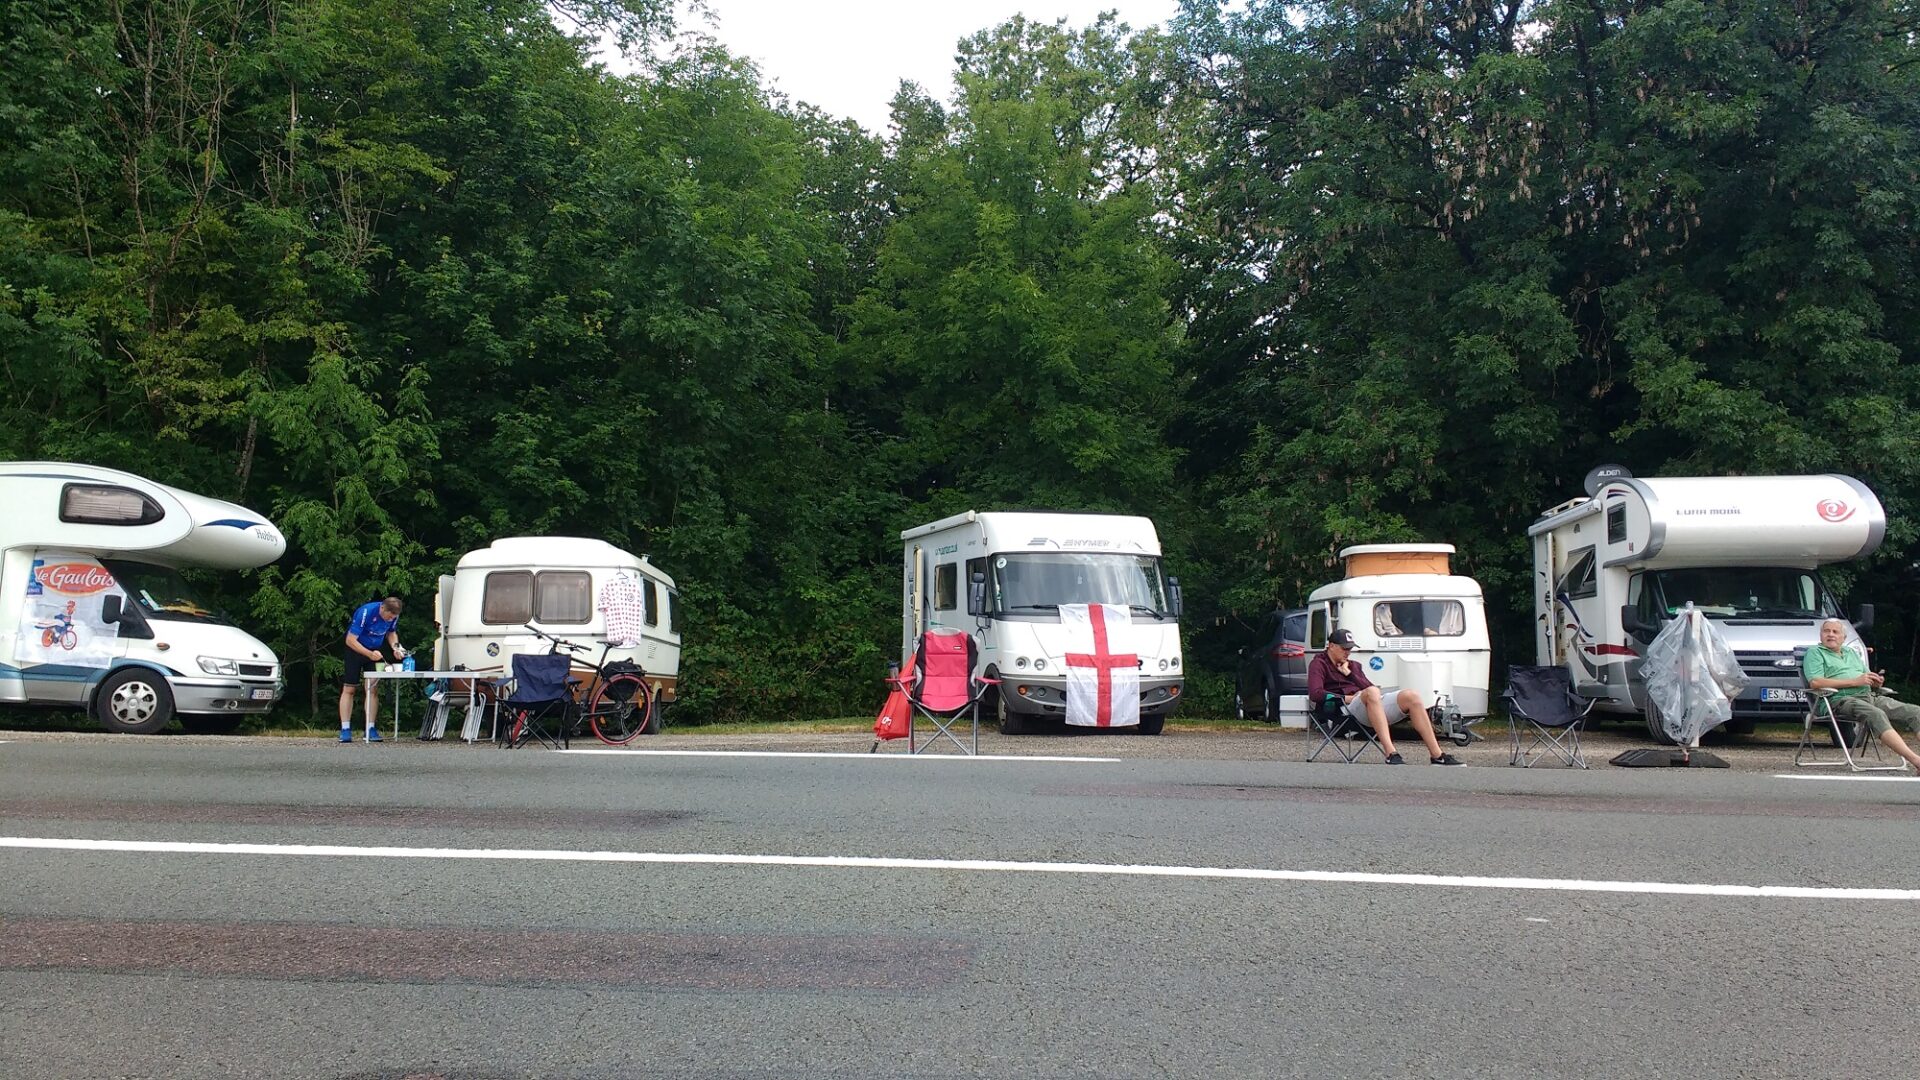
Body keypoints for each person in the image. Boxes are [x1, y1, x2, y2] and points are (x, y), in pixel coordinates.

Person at [1308, 627, 1465, 765]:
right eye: (1344, 649)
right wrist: (1345, 698)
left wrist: (1350, 674)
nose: (1347, 652)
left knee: (1412, 696)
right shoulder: (1318, 664)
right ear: (1331, 646)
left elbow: (1369, 687)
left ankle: (1437, 755)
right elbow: (1316, 694)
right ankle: (1391, 753)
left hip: (1369, 704)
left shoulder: (1353, 666)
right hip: (1344, 709)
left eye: (1350, 649)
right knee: (1372, 692)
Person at [1802, 618, 1920, 773]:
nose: (1830, 635)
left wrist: (1875, 681)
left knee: (1915, 712)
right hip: (1839, 700)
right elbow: (1815, 682)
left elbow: (1864, 676)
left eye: (1835, 632)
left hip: (1868, 696)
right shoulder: (1815, 653)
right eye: (1826, 631)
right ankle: (1916, 761)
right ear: (1820, 635)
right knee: (1875, 714)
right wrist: (1854, 681)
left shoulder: (1851, 652)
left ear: (1843, 638)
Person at [339, 596, 405, 744]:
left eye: (393, 617)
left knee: (372, 688)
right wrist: (369, 654)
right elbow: (350, 640)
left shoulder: (393, 616)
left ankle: (370, 728)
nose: (390, 620)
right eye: (389, 616)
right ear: (382, 608)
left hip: (375, 649)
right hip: (356, 649)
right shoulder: (366, 612)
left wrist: (396, 647)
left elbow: (391, 633)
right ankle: (345, 729)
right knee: (350, 688)